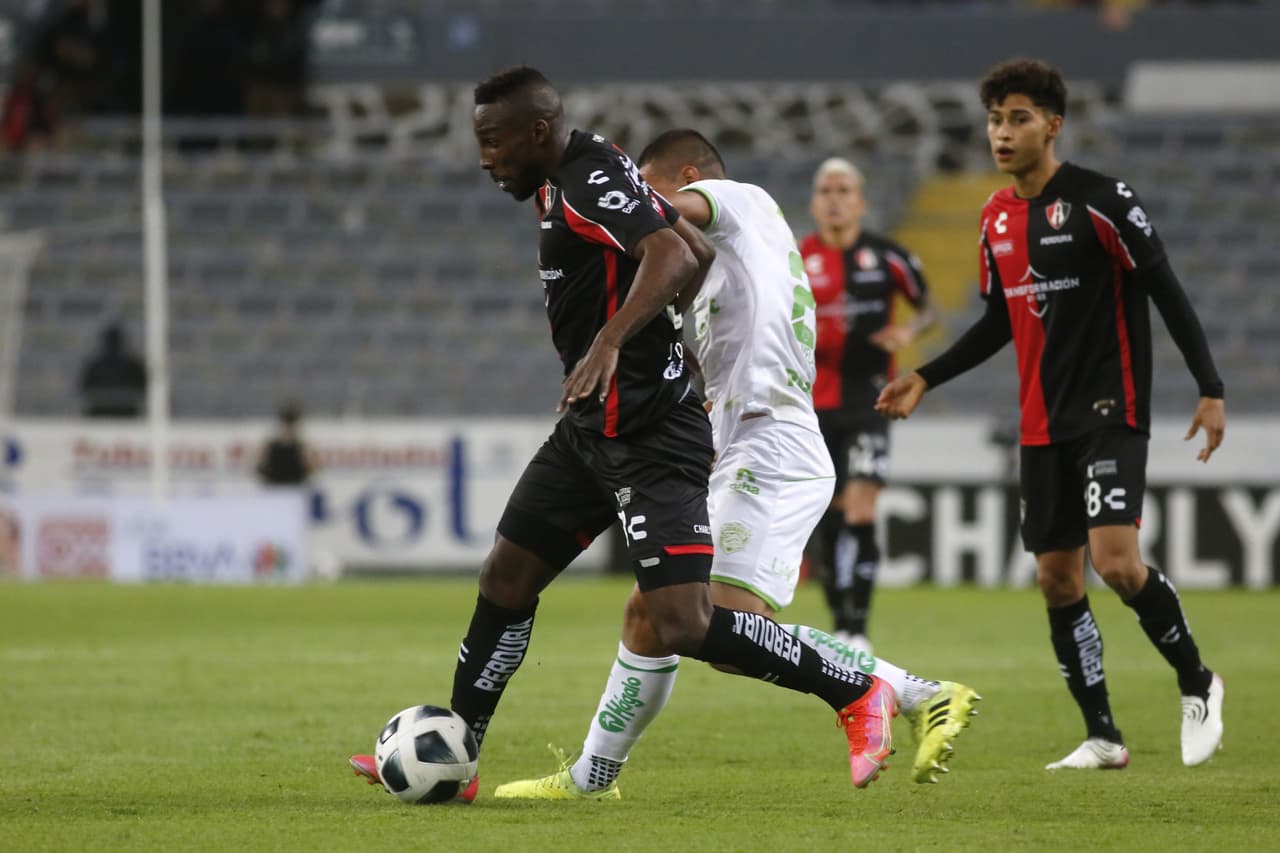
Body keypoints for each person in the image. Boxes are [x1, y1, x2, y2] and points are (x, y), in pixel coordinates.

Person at [351, 66, 898, 799]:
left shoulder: (588, 178)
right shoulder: (562, 182)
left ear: (537, 132)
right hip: (589, 429)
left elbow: (675, 254)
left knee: (682, 620)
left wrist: (613, 342)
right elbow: (694, 254)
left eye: (493, 140)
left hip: (649, 437)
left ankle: (856, 691)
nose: (485, 157)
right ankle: (458, 751)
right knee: (505, 577)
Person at [491, 130, 979, 801]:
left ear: (689, 177)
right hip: (741, 442)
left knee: (713, 628)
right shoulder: (722, 263)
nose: (638, 205)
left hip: (770, 445)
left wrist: (582, 194)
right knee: (653, 614)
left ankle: (911, 690)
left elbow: (659, 217)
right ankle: (592, 776)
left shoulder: (737, 200)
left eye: (649, 186)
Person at [876, 58, 1226, 770]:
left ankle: (1198, 681)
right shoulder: (994, 216)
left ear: (1053, 125)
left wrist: (1209, 387)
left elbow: (1166, 289)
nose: (1001, 133)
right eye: (995, 119)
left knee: (1116, 563)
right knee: (1057, 579)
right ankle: (1103, 735)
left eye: (1018, 119)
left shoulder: (1104, 200)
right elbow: (999, 321)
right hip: (1041, 421)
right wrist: (925, 375)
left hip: (1110, 408)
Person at [800, 158, 936, 654]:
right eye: (825, 189)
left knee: (860, 507)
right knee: (827, 515)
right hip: (811, 407)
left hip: (869, 399)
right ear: (814, 201)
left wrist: (908, 330)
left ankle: (857, 625)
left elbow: (927, 308)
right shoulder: (794, 260)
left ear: (860, 200)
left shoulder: (888, 257)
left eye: (843, 189)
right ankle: (841, 620)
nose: (834, 198)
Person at [79, 322, 146, 417]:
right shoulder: (95, 366)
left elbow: (142, 390)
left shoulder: (133, 366)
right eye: (111, 341)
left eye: (115, 341)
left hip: (126, 415)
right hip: (99, 415)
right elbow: (85, 389)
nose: (113, 345)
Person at [256, 401, 317, 486]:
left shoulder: (302, 447)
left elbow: (311, 469)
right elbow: (259, 468)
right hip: (275, 489)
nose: (287, 429)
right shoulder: (271, 446)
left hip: (294, 489)